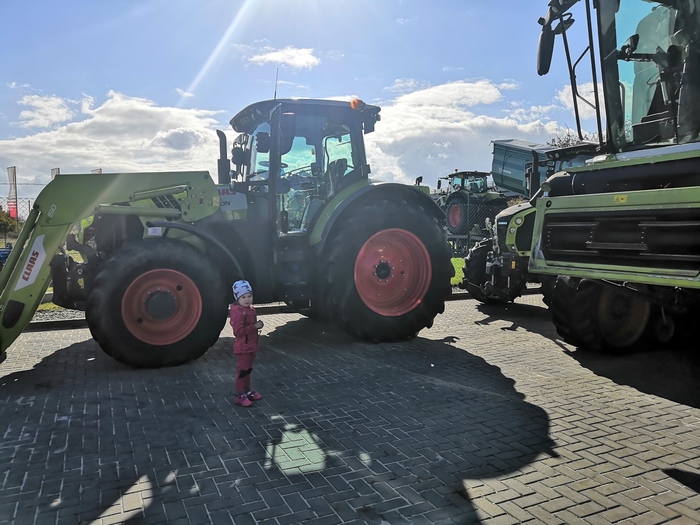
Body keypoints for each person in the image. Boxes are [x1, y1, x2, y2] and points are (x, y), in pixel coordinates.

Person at [230, 280, 264, 407]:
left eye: (249, 296)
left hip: (251, 345)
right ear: (237, 298)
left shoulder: (250, 309)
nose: (247, 299)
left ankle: (247, 390)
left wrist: (257, 326)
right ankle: (239, 394)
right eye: (243, 297)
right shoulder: (238, 312)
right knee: (242, 371)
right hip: (243, 347)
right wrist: (254, 326)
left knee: (248, 370)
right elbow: (238, 332)